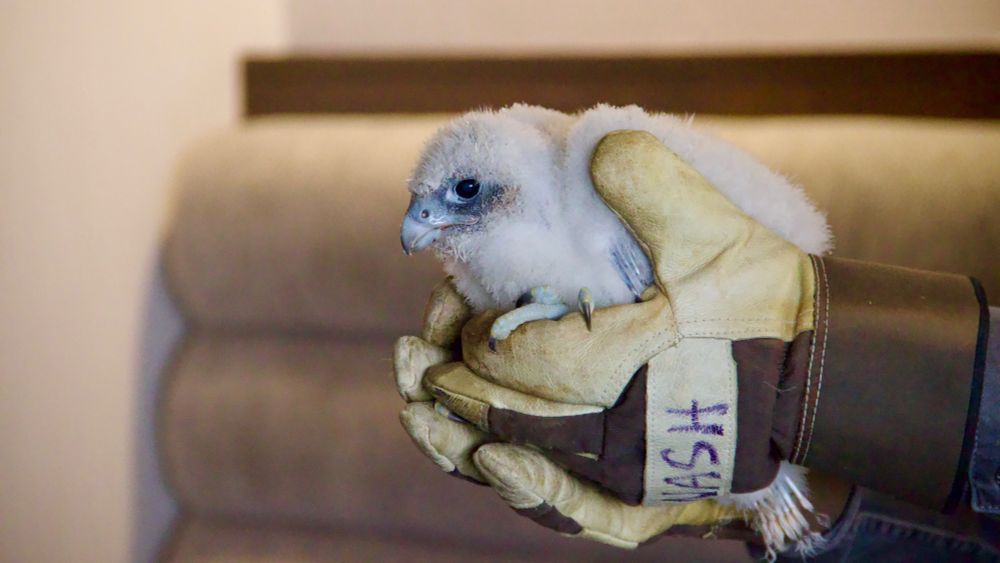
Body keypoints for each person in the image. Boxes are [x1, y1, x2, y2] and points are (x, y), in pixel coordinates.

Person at [393, 130, 999, 561]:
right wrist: (813, 508)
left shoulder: (594, 172)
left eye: (463, 191)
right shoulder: (499, 249)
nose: (422, 217)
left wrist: (810, 369)